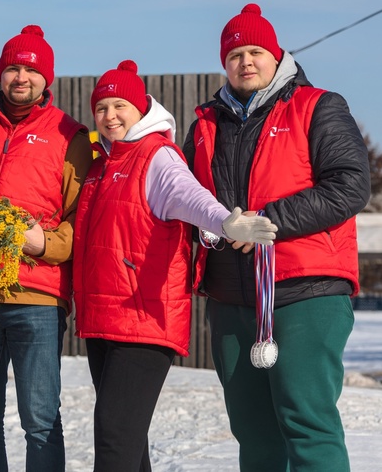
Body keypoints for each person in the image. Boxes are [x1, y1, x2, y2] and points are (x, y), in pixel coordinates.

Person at [183, 4, 371, 472]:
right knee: (253, 433)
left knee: (307, 422)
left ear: (276, 54)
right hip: (231, 297)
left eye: (255, 51)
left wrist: (268, 220)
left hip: (305, 289)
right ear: (224, 63)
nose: (245, 62)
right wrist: (216, 228)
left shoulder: (318, 106)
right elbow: (186, 200)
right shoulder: (205, 125)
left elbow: (350, 183)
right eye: (235, 54)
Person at [73, 60, 277, 472]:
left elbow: (189, 196)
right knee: (128, 442)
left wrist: (224, 220)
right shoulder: (102, 164)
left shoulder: (157, 157)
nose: (110, 116)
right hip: (102, 318)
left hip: (143, 318)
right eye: (101, 109)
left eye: (119, 106)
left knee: (114, 439)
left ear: (140, 108)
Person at [0, 24, 93, 471]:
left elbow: (78, 219)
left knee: (41, 420)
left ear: (47, 78)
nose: (20, 77)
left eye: (30, 69)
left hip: (37, 298)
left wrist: (41, 242)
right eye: (12, 68)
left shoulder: (71, 134)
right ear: (0, 74)